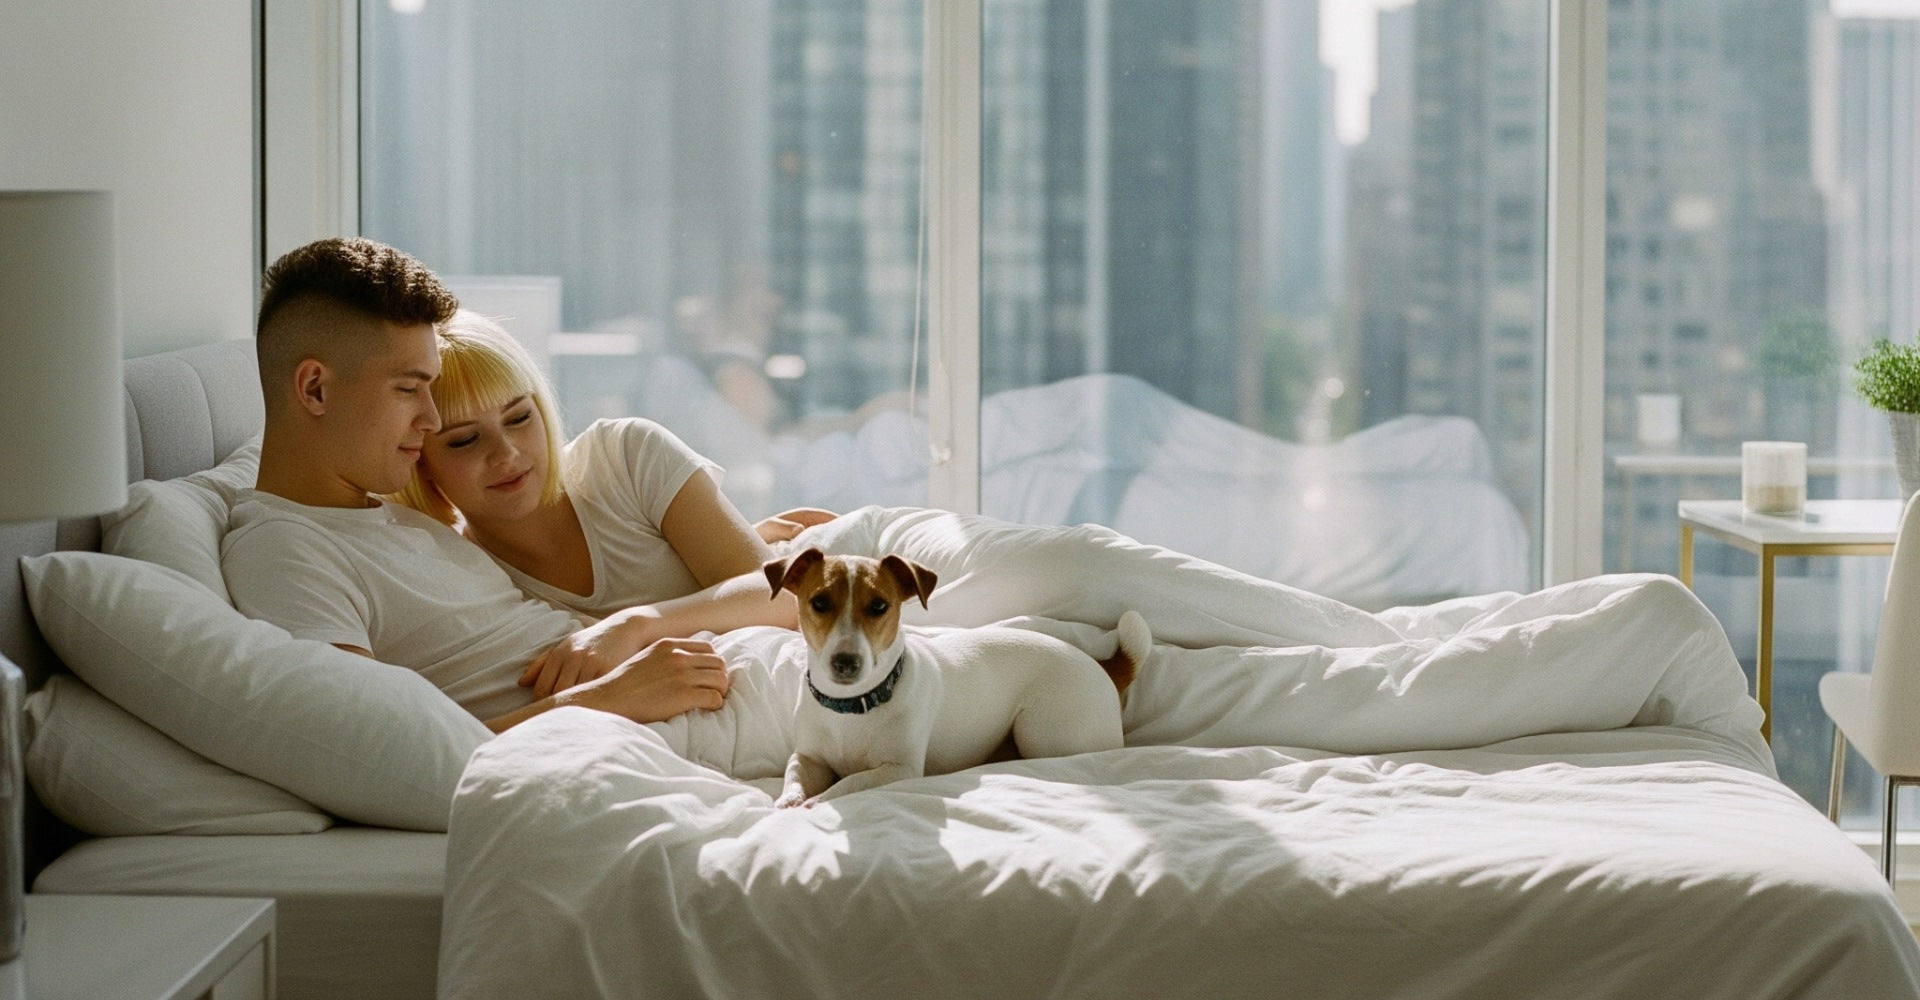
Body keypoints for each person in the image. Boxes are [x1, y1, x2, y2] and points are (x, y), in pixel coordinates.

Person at [390, 309, 1770, 769]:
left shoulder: (623, 453)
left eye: (517, 416)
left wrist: (652, 627)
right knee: (1177, 668)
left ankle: (1396, 642)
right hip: (867, 631)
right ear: (427, 466)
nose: (508, 454)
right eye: (467, 440)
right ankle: (1501, 650)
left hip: (910, 562)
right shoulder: (470, 571)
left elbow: (769, 589)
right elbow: (787, 625)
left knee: (1104, 568)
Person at [220, 237, 734, 734]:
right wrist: (609, 700)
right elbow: (377, 752)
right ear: (314, 389)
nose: (428, 419)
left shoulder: (399, 521)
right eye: (408, 390)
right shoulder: (283, 551)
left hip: (691, 680)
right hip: (646, 717)